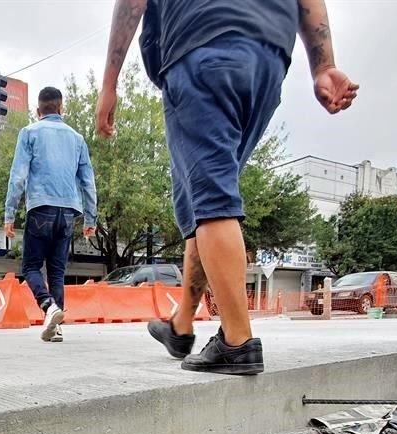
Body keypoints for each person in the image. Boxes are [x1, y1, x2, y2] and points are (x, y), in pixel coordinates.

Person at [96, 0, 358, 374]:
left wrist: (109, 84)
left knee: (212, 201)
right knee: (205, 198)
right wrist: (324, 66)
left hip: (202, 47)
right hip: (267, 62)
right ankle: (181, 325)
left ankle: (238, 342)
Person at [5, 86, 98, 343]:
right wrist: (91, 219)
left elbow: (18, 177)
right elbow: (88, 182)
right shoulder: (77, 138)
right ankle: (55, 329)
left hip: (40, 207)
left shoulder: (29, 133)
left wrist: (9, 214)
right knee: (57, 271)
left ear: (38, 110)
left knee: (32, 266)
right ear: (61, 108)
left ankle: (48, 307)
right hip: (69, 211)